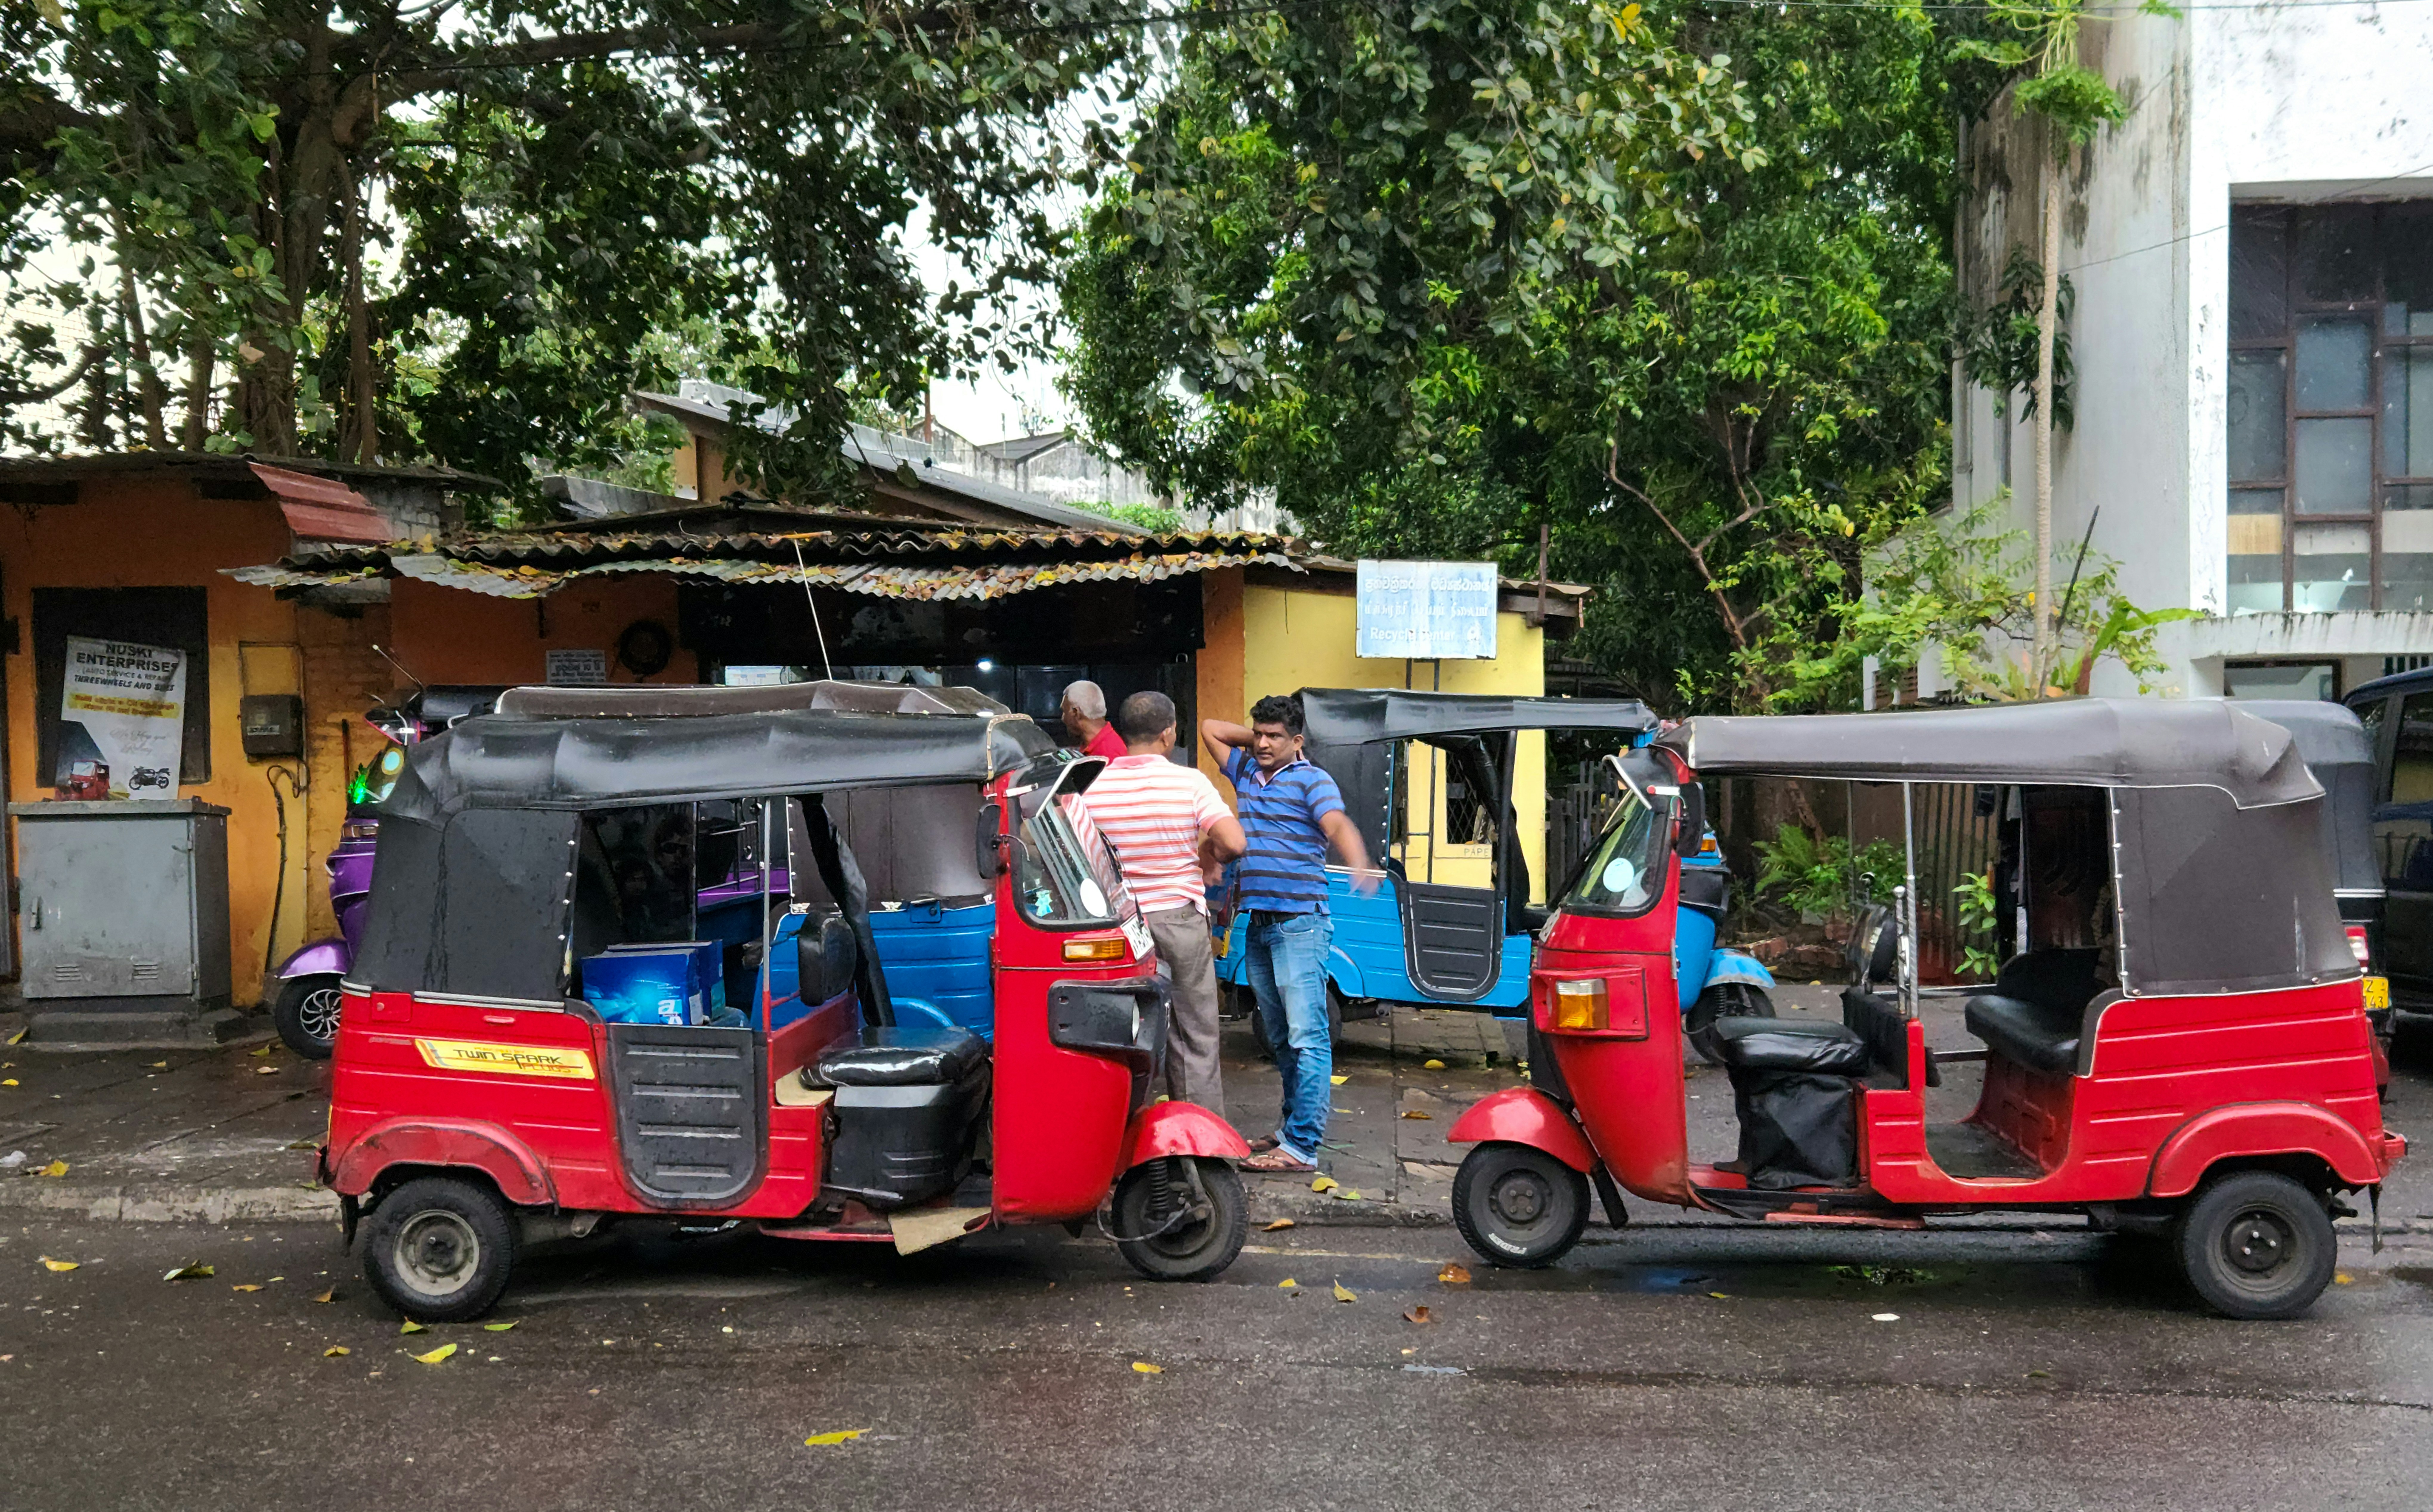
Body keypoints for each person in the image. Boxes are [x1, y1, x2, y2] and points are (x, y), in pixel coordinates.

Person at [1202, 693, 1377, 1173]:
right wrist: (1261, 741)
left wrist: (1358, 857)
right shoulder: (1246, 772)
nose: (1261, 742)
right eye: (1258, 732)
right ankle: (1288, 1129)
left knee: (1308, 1037)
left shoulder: (1312, 779)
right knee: (1280, 1037)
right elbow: (1211, 726)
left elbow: (1335, 822)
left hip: (1300, 925)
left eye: (1274, 735)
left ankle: (1302, 1145)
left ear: (1298, 741)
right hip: (1257, 923)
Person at [1078, 691, 1246, 1111]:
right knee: (1194, 1035)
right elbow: (1235, 841)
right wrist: (1211, 852)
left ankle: (1116, 1140)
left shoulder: (1092, 786)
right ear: (1168, 733)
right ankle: (1201, 1148)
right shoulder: (1189, 782)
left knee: (1114, 1034)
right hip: (1178, 920)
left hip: (1116, 926)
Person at [1059, 680, 1127, 762]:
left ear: (1076, 713)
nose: (1063, 718)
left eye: (1065, 712)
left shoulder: (1109, 754)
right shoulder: (1091, 744)